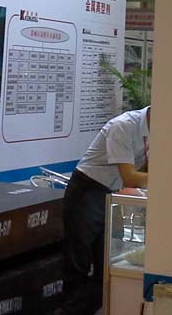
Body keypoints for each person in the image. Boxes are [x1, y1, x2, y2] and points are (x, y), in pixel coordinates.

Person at [60, 106, 149, 315]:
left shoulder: (158, 133)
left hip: (111, 194)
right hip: (87, 191)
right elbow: (130, 177)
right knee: (78, 267)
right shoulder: (124, 126)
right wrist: (170, 176)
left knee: (110, 268)